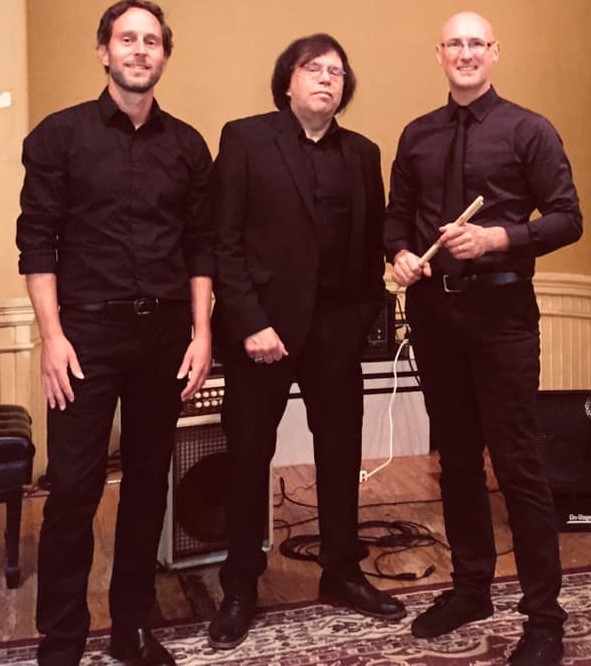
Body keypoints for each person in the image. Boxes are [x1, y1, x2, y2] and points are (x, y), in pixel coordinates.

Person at [16, 2, 214, 664]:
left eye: (151, 41)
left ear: (164, 56)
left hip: (165, 337)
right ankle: (62, 640)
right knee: (73, 489)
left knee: (149, 483)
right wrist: (52, 337)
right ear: (104, 51)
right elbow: (36, 242)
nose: (139, 50)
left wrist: (202, 334)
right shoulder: (59, 135)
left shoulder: (188, 146)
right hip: (85, 339)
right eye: (127, 38)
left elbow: (201, 246)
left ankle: (132, 626)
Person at [384, 11, 582, 666]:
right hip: (434, 315)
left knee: (518, 464)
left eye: (476, 43)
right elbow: (395, 219)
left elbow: (567, 218)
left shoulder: (529, 129)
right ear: (438, 54)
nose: (465, 53)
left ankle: (544, 616)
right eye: (454, 43)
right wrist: (400, 253)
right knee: (457, 460)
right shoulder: (416, 135)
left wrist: (499, 237)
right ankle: (471, 589)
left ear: (493, 53)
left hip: (502, 315)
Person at [209, 33, 406, 650]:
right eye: (313, 68)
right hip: (261, 333)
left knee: (342, 454)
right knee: (248, 457)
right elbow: (223, 241)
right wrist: (250, 323)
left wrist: (367, 313)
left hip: (337, 334)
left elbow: (371, 241)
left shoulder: (363, 152)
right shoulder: (244, 139)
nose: (326, 78)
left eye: (336, 72)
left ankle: (341, 572)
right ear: (287, 81)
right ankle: (241, 585)